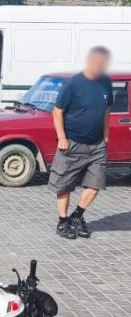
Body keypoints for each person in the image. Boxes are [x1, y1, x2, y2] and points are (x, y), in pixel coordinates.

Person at [49, 46, 113, 240]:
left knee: (95, 185)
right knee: (64, 185)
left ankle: (77, 217)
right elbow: (57, 111)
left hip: (97, 144)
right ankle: (63, 221)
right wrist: (62, 137)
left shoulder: (106, 83)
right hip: (72, 143)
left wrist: (106, 135)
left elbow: (107, 110)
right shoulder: (74, 83)